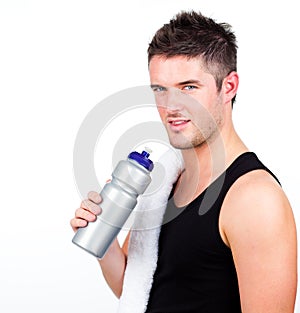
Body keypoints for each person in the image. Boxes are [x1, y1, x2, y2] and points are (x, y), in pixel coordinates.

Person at [70, 11, 297, 313]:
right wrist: (105, 238)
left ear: (228, 87)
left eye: (189, 87)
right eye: (160, 89)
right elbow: (137, 290)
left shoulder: (254, 199)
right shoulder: (167, 181)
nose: (171, 107)